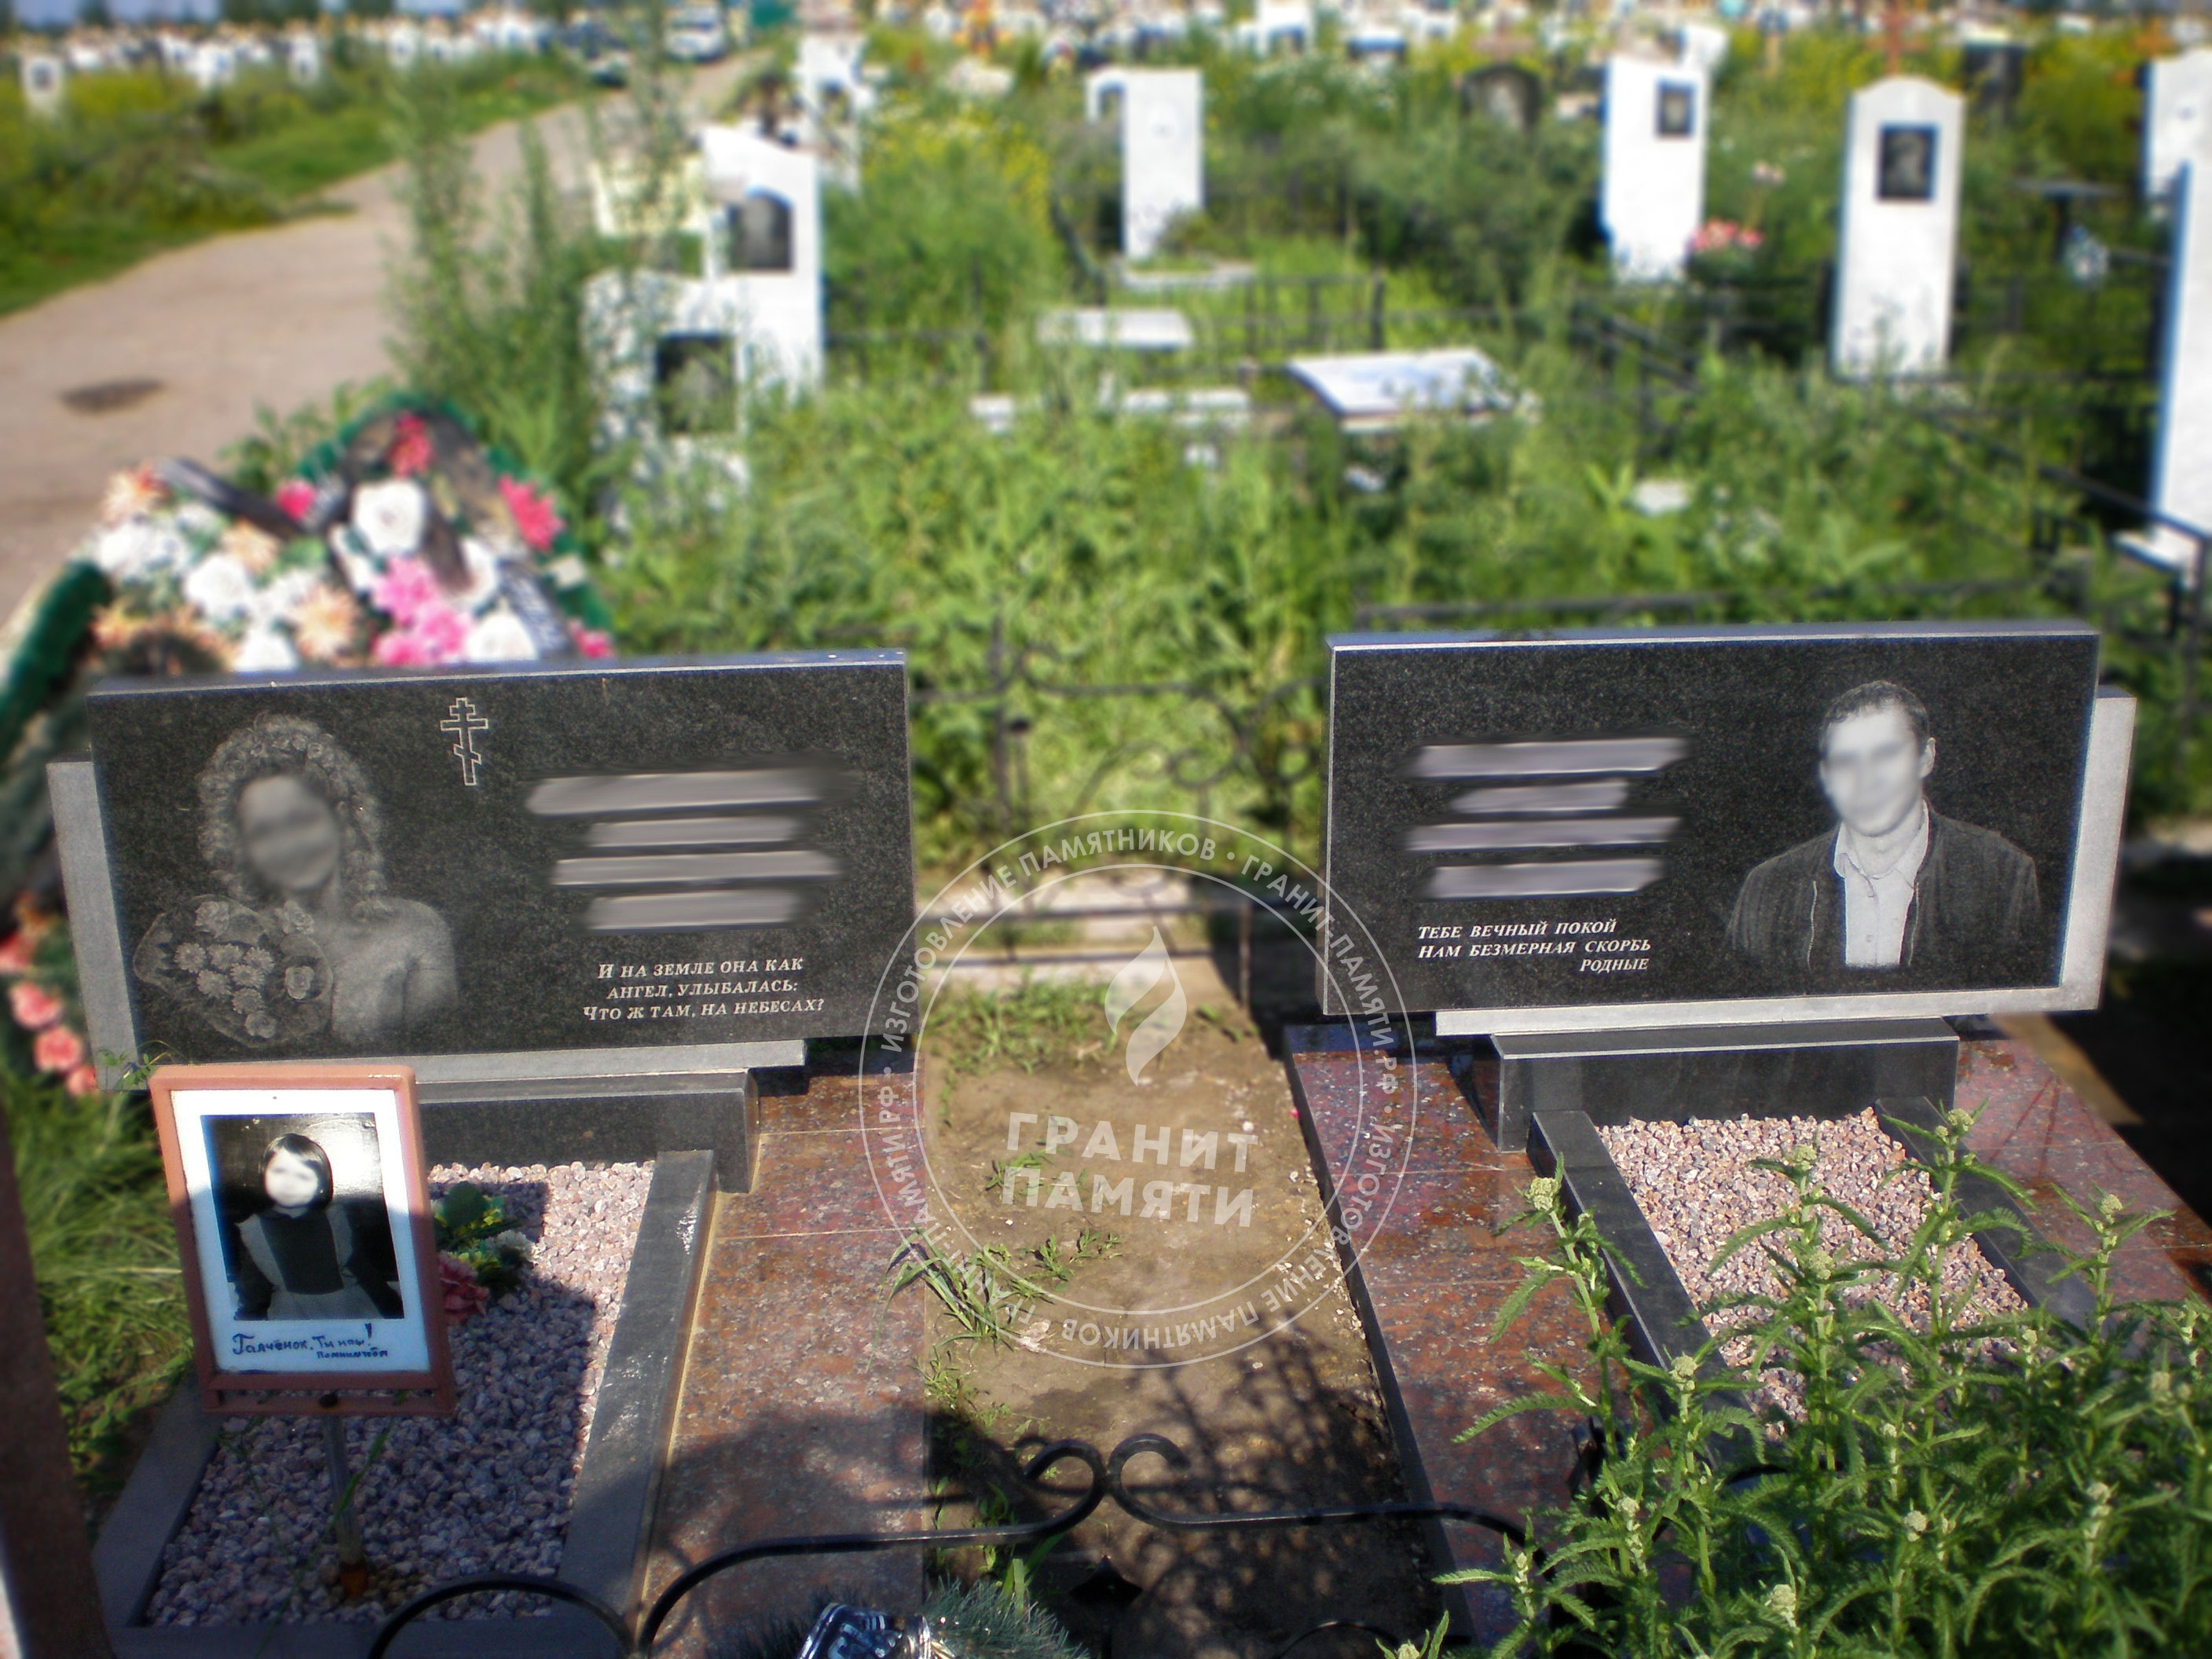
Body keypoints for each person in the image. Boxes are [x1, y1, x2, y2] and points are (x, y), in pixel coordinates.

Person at [1727, 680, 2042, 984]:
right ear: (1826, 775)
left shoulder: (2002, 875)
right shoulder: (1768, 888)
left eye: (1886, 754)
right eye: (1845, 760)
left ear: (1926, 758)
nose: (1865, 780)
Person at [175, 713, 456, 1047]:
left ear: (340, 817)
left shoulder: (414, 929)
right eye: (263, 829)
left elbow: (440, 1054)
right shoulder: (238, 952)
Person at [231, 1133, 401, 1321]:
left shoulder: (335, 1220)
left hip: (345, 1314)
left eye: (303, 1175)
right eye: (279, 1171)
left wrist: (398, 1315)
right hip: (292, 1320)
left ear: (321, 1186)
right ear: (264, 1175)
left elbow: (366, 1275)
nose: (289, 1182)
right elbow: (253, 1290)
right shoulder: (254, 1230)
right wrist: (244, 1327)